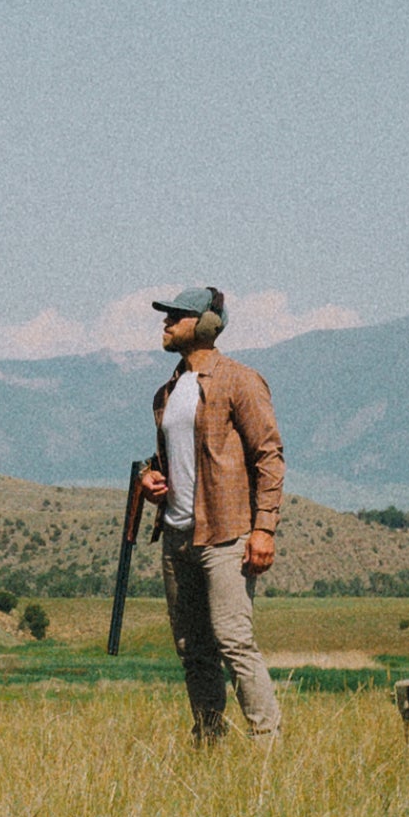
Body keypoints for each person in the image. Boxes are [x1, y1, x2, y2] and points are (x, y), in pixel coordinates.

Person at [129, 286, 287, 742]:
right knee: (193, 651)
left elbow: (269, 457)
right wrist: (151, 480)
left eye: (176, 316)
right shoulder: (166, 393)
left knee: (235, 643)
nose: (165, 323)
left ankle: (267, 748)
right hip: (178, 536)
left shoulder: (240, 381)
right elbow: (176, 460)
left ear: (204, 325)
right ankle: (209, 742)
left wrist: (264, 529)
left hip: (227, 535)